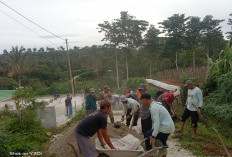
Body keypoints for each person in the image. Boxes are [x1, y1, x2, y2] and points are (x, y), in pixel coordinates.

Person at [137, 83, 153, 150]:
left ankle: (149, 148)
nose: (140, 91)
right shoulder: (141, 97)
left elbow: (152, 105)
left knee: (148, 133)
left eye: (141, 89)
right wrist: (138, 110)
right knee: (144, 133)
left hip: (147, 118)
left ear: (145, 89)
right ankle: (147, 146)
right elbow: (142, 106)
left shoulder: (148, 97)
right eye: (139, 90)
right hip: (143, 118)